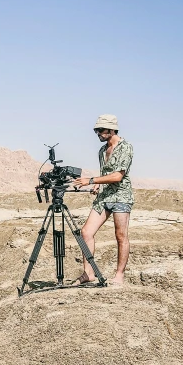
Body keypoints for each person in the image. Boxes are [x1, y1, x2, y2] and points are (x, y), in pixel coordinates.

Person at [71, 114, 134, 286]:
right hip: (104, 196)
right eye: (96, 130)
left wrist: (91, 180)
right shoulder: (102, 150)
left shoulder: (125, 147)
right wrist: (98, 185)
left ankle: (119, 275)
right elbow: (106, 174)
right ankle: (88, 273)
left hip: (121, 196)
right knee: (86, 232)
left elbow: (117, 176)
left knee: (121, 236)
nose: (98, 133)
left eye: (101, 130)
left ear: (112, 129)